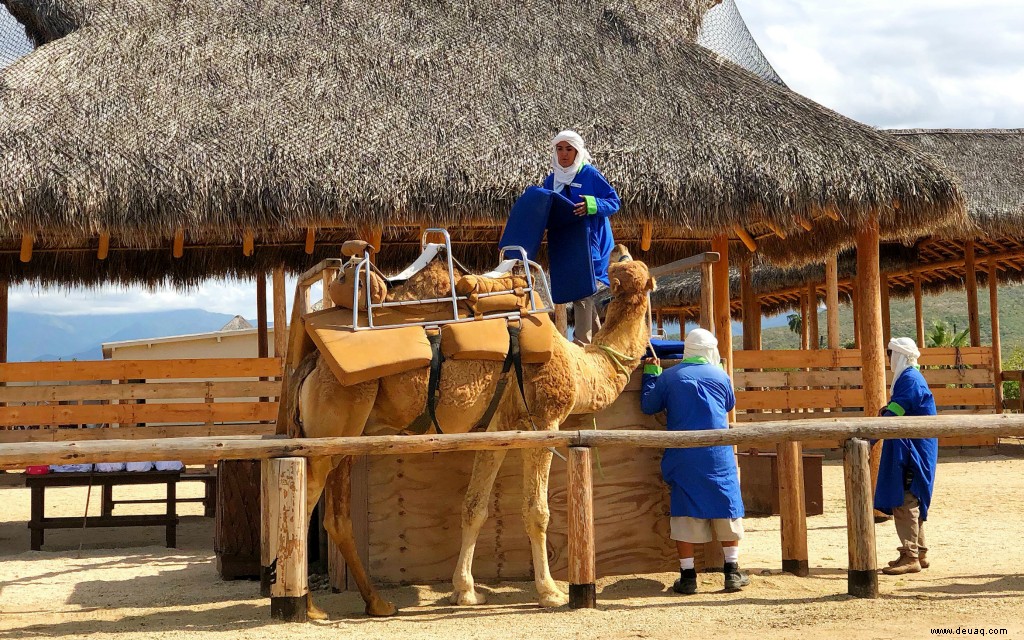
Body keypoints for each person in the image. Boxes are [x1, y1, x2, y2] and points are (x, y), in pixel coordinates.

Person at [640, 328, 749, 594]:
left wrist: (650, 375)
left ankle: (688, 576)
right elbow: (728, 405)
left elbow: (648, 406)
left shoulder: (669, 377)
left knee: (685, 511)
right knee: (727, 507)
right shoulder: (720, 375)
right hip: (718, 455)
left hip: (684, 455)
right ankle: (732, 573)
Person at [543, 130, 620, 345]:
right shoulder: (551, 181)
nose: (564, 154)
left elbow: (614, 203)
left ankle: (581, 345)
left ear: (578, 151)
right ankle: (600, 344)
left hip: (592, 245)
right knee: (582, 294)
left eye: (569, 149)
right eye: (560, 149)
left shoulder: (590, 175)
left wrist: (592, 205)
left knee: (583, 292)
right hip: (567, 245)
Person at [874, 337, 938, 576]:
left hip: (913, 451)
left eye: (891, 354)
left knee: (905, 499)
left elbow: (895, 412)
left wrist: (870, 438)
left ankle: (910, 555)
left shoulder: (909, 380)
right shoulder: (909, 378)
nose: (889, 359)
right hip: (914, 447)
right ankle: (918, 552)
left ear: (899, 356)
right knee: (911, 498)